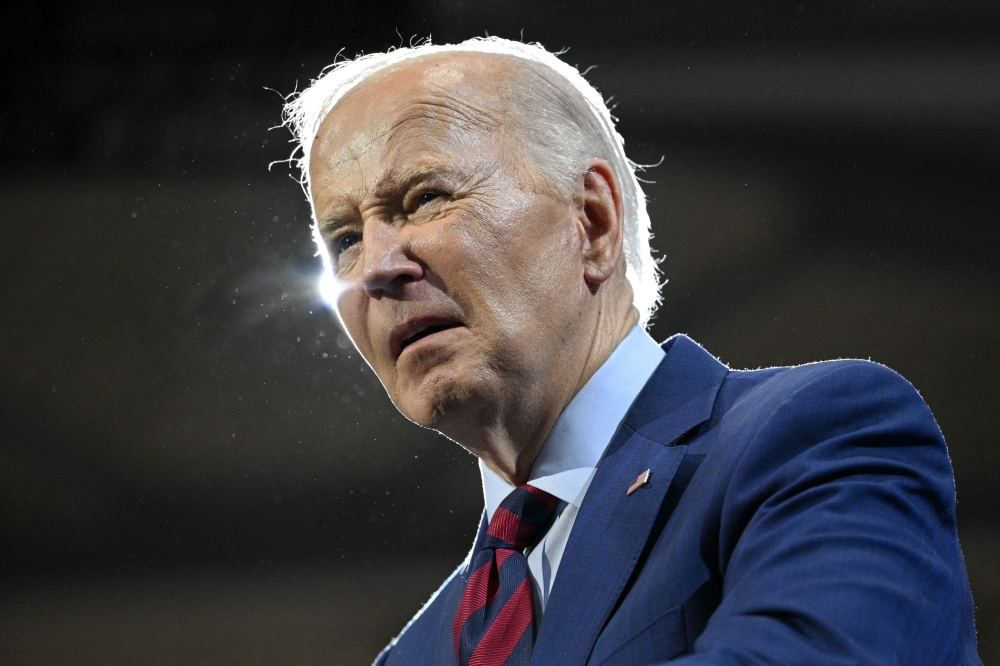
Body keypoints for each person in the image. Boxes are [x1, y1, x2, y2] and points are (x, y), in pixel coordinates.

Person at [283, 37, 981, 665]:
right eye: (343, 239)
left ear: (592, 221)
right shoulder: (416, 655)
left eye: (425, 198)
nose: (373, 267)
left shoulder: (812, 437)